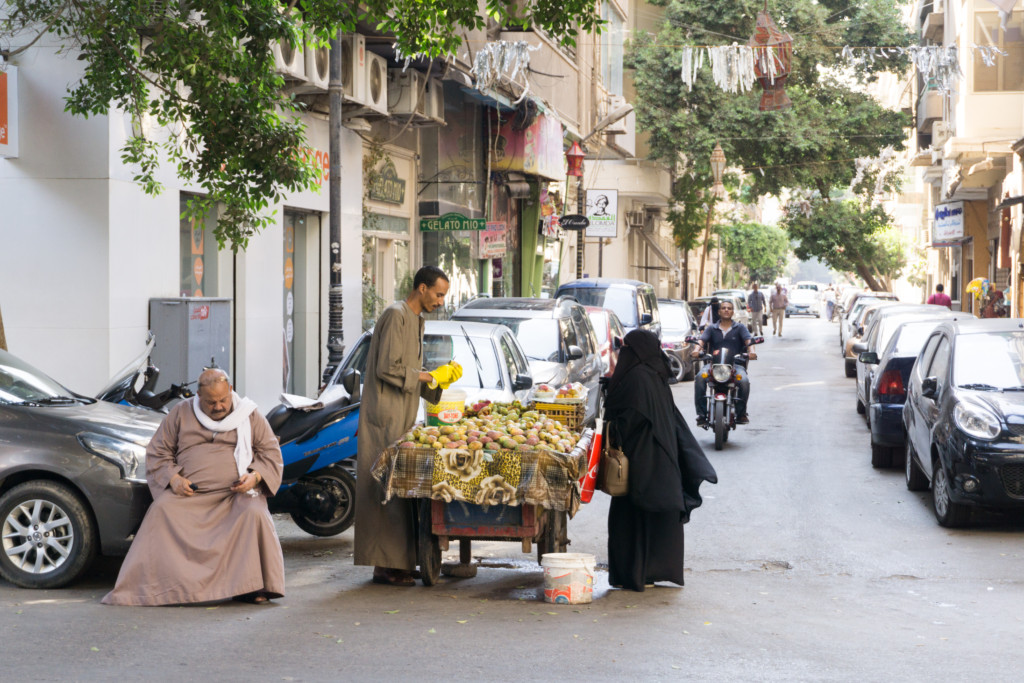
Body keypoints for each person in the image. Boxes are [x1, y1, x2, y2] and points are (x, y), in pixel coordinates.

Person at [103, 369, 285, 606]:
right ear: (198, 395)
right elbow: (158, 452)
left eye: (223, 400)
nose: (218, 407)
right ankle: (156, 589)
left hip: (235, 494)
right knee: (162, 510)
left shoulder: (249, 414)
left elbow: (270, 451)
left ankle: (253, 587)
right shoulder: (181, 413)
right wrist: (174, 479)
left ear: (230, 391)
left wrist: (255, 476)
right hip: (191, 494)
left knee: (254, 513)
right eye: (211, 402)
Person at [354, 265, 460, 587]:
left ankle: (399, 561)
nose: (441, 301)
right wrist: (429, 376)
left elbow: (410, 371)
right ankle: (384, 566)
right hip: (383, 418)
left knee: (399, 492)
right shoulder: (396, 314)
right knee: (383, 491)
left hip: (400, 417)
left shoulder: (416, 319)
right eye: (439, 294)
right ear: (422, 288)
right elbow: (389, 368)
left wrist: (436, 380)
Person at [603, 329, 717, 592]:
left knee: (633, 519)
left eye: (626, 348)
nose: (623, 352)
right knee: (651, 519)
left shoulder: (636, 378)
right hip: (660, 462)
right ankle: (651, 572)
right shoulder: (655, 375)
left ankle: (637, 573)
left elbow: (627, 422)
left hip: (640, 464)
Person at [691, 300, 757, 426]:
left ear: (733, 312)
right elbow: (701, 341)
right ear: (719, 311)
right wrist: (696, 350)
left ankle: (741, 413)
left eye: (729, 308)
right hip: (713, 365)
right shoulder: (711, 328)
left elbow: (749, 341)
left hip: (735, 365)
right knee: (700, 377)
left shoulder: (740, 327)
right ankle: (701, 414)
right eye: (724, 308)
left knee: (743, 381)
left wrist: (752, 352)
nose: (726, 310)